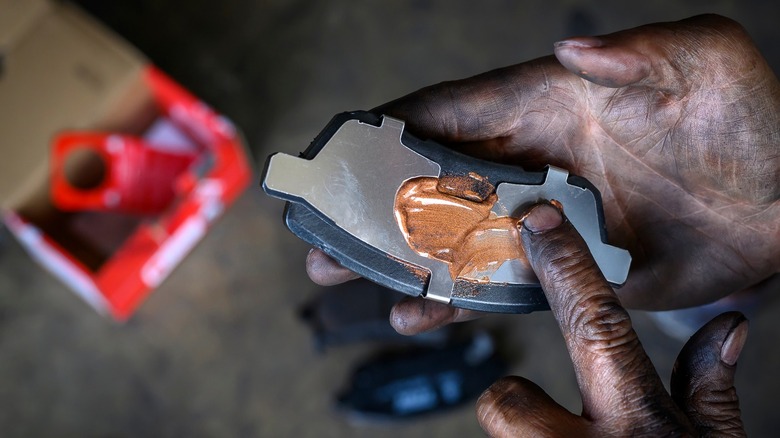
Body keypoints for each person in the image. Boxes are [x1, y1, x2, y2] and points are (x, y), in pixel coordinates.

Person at [306, 14, 779, 435]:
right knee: (680, 275)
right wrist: (764, 224)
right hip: (701, 251)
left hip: (682, 253)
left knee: (670, 279)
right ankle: (741, 273)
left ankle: (735, 276)